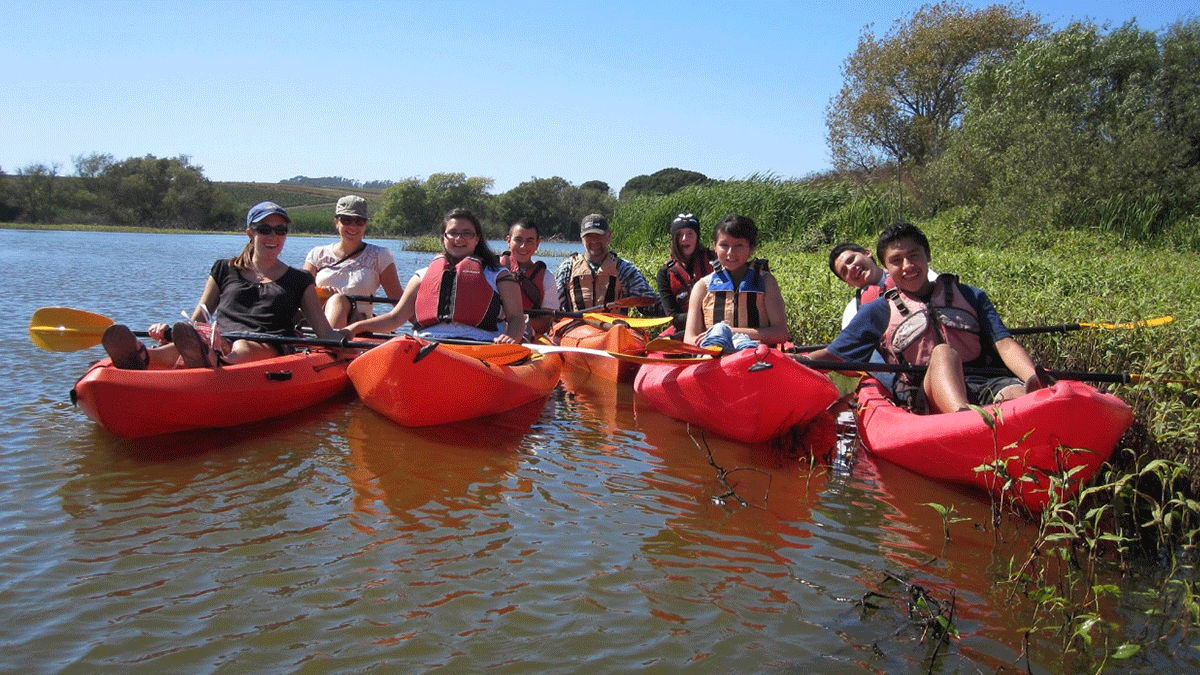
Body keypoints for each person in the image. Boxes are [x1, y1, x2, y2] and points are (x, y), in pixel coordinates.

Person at [804, 222, 1049, 414]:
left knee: (1019, 393)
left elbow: (1004, 343)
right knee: (943, 353)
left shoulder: (970, 295)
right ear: (886, 267)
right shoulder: (877, 310)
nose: (908, 266)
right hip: (924, 392)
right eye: (896, 261)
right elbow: (833, 356)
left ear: (928, 256)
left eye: (914, 255)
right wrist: (792, 359)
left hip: (984, 382)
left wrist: (1032, 379)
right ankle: (964, 419)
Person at [100, 202, 339, 369]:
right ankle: (143, 357)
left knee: (242, 345)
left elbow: (324, 333)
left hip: (270, 346)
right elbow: (200, 317)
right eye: (264, 229)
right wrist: (171, 333)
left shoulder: (299, 280)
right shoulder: (224, 269)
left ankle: (217, 362)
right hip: (220, 340)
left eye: (280, 230)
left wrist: (351, 335)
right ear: (250, 233)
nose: (273, 236)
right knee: (203, 341)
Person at [341, 208, 525, 344]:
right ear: (443, 238)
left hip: (479, 346)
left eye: (467, 234)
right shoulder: (421, 276)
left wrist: (512, 338)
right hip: (427, 346)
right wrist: (357, 327)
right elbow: (395, 318)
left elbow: (516, 317)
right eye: (452, 233)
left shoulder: (499, 275)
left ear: (477, 239)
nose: (459, 239)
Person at [683, 214, 790, 352]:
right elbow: (689, 338)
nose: (730, 253)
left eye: (739, 245)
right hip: (715, 362)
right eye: (724, 245)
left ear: (751, 248)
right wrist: (713, 339)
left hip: (756, 360)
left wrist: (728, 332)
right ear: (714, 246)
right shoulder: (703, 286)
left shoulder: (766, 281)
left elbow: (780, 333)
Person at [303, 195, 403, 329]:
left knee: (338, 300)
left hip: (359, 327)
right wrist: (320, 295)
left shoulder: (380, 255)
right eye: (346, 220)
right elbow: (300, 294)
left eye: (359, 221)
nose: (353, 226)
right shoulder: (317, 254)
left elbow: (401, 304)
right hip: (320, 321)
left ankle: (330, 344)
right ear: (336, 222)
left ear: (366, 224)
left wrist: (425, 328)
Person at [554, 213, 660, 314]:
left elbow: (650, 303)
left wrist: (672, 307)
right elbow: (554, 304)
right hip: (578, 329)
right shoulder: (567, 268)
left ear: (608, 235)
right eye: (589, 236)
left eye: (599, 235)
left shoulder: (624, 269)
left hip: (613, 329)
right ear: (582, 238)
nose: (594, 241)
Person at [829, 242, 936, 329]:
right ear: (848, 283)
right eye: (844, 271)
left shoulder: (912, 273)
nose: (851, 268)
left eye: (851, 260)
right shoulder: (853, 311)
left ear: (867, 253)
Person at [655, 213, 716, 335]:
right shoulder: (664, 274)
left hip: (717, 324)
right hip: (686, 329)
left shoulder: (714, 260)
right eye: (680, 235)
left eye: (690, 234)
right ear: (674, 239)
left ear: (697, 237)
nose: (684, 239)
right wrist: (699, 318)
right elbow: (673, 317)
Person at [499, 218, 559, 338]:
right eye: (518, 240)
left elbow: (545, 323)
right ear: (508, 241)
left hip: (529, 336)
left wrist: (515, 329)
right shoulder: (492, 269)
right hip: (494, 331)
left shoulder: (547, 277)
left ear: (537, 244)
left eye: (529, 241)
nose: (523, 246)